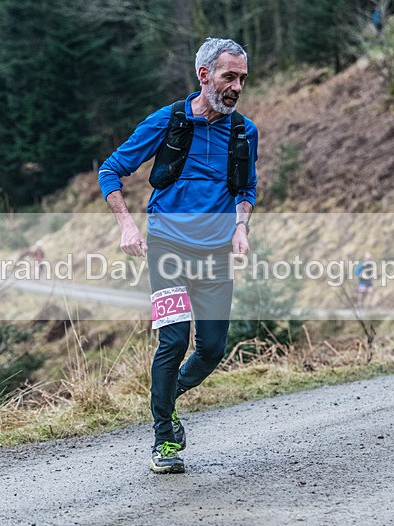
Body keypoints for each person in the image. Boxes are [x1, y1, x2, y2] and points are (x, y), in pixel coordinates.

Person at [97, 38, 258, 474]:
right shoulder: (167, 121)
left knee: (211, 349)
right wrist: (127, 225)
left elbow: (247, 189)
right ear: (204, 75)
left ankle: (167, 398)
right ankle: (164, 438)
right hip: (167, 248)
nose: (237, 87)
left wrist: (241, 227)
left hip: (216, 255)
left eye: (242, 78)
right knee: (173, 341)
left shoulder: (244, 131)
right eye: (229, 76)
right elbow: (110, 169)